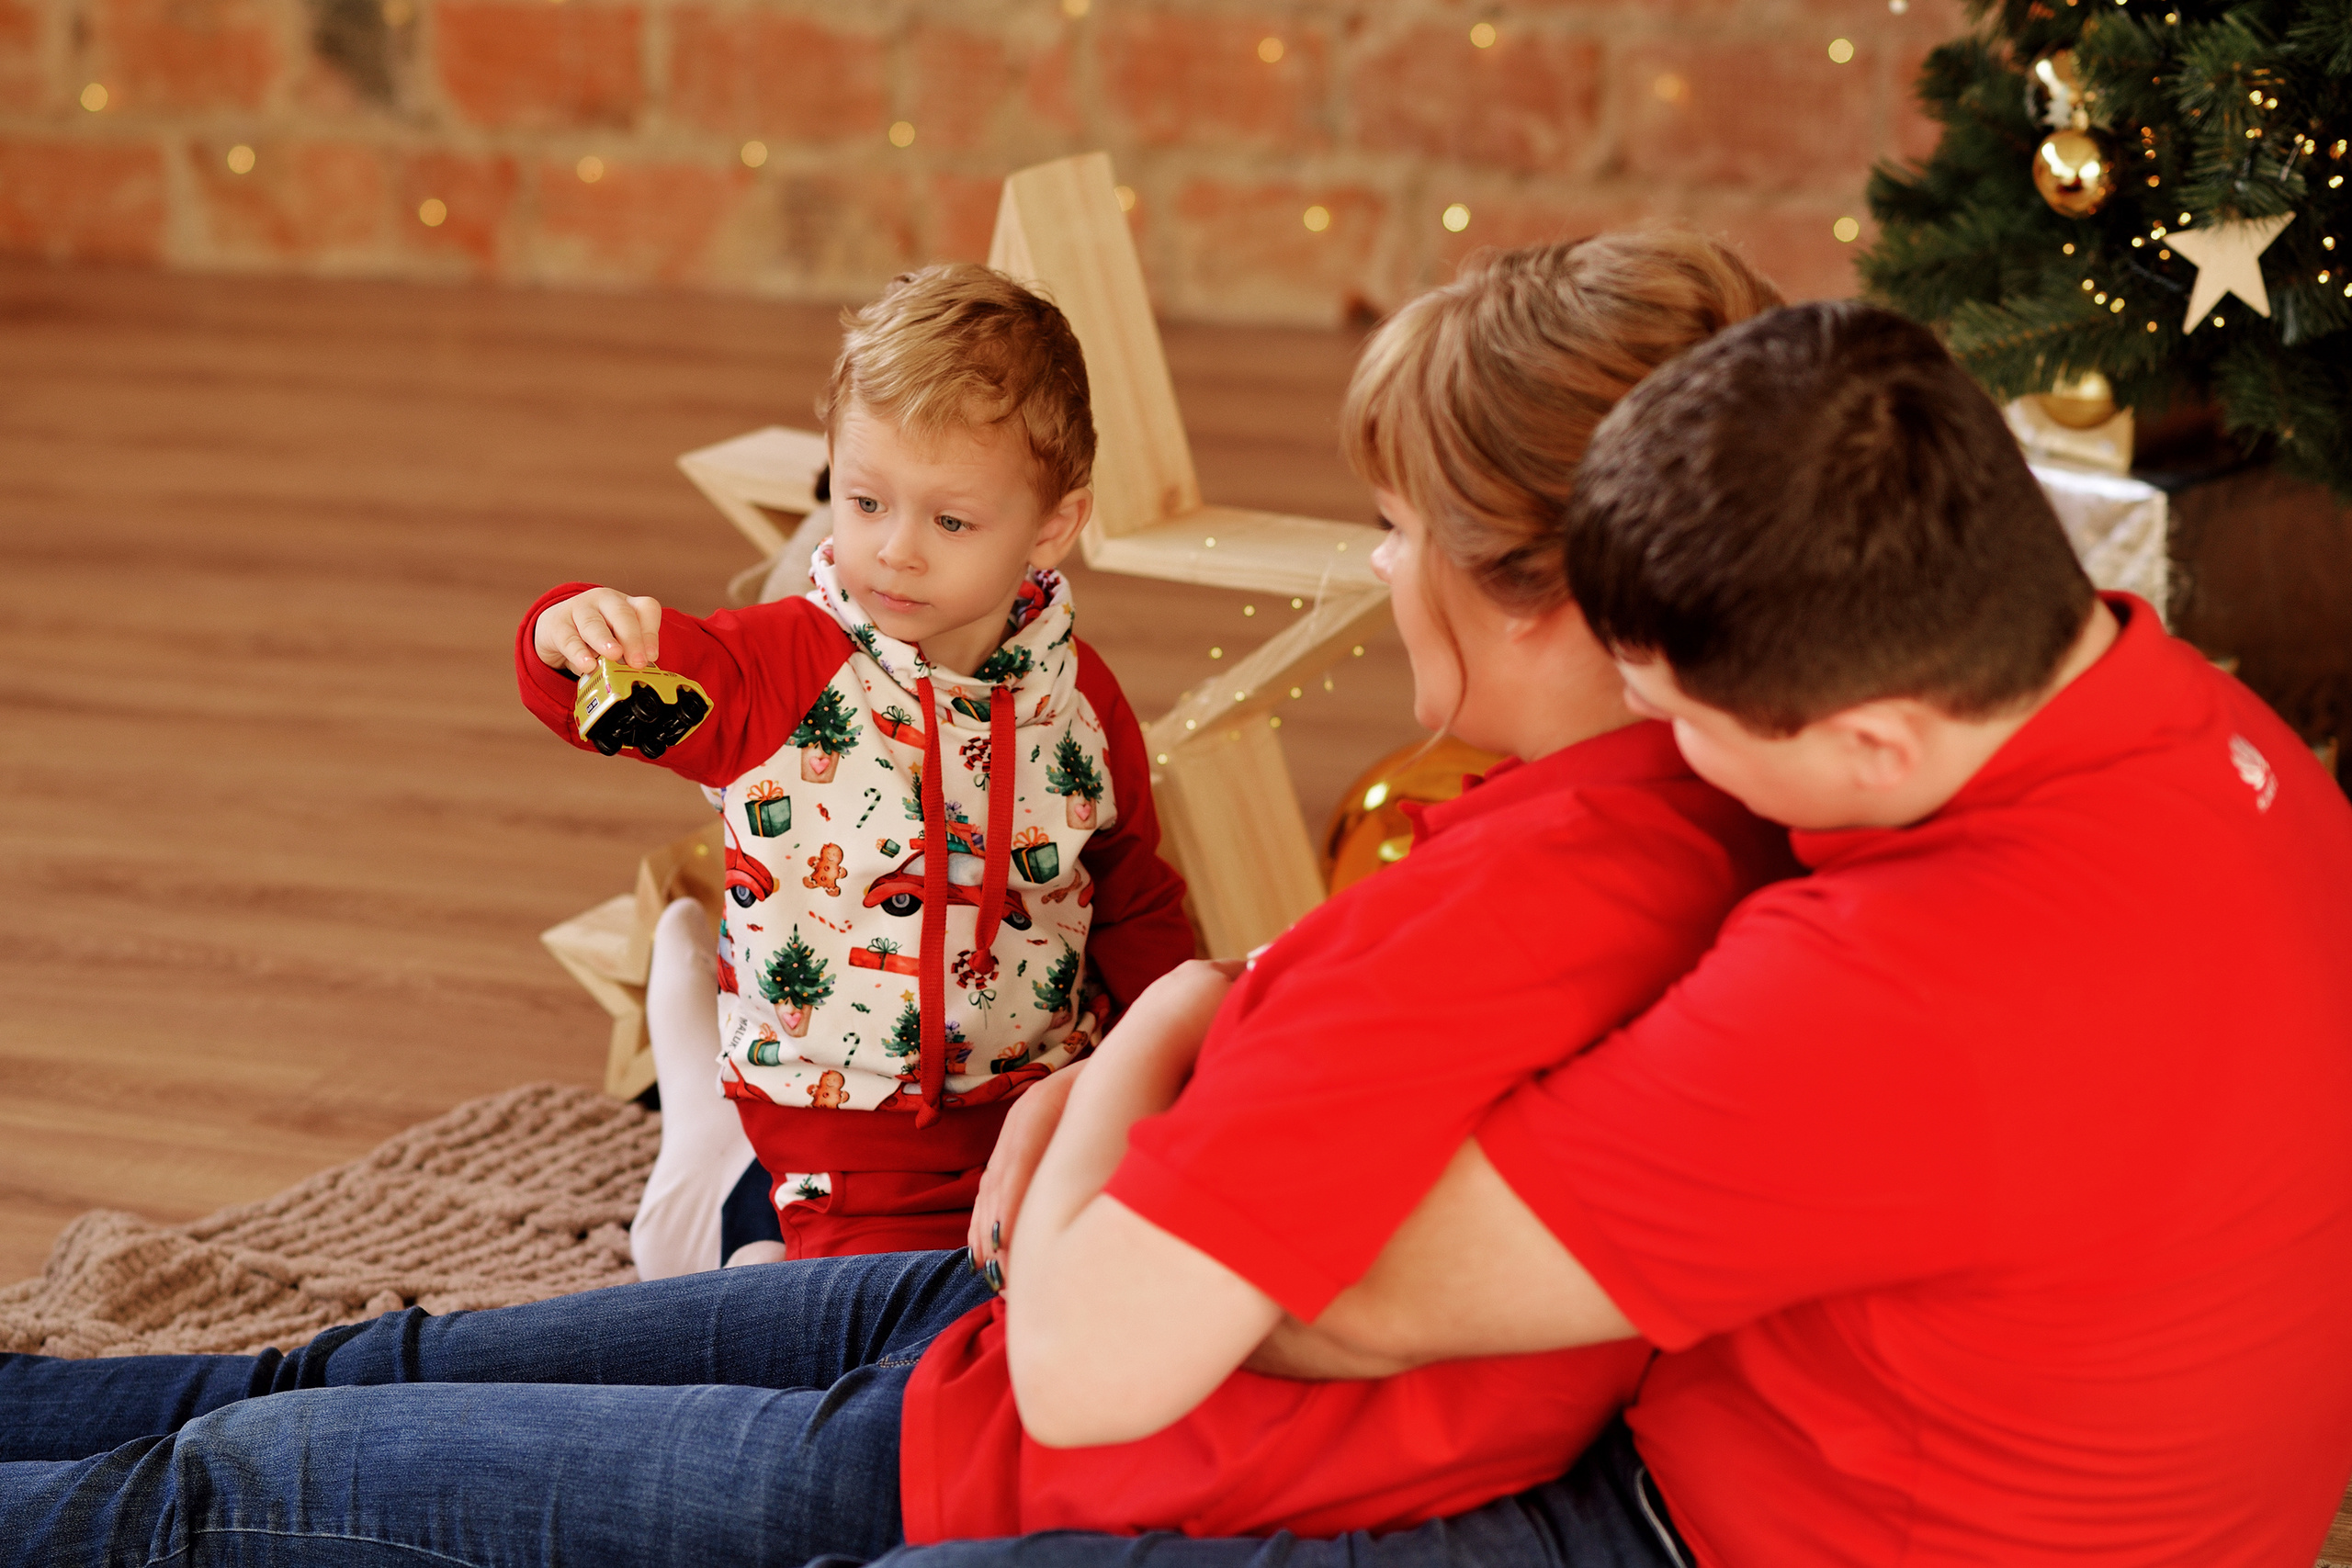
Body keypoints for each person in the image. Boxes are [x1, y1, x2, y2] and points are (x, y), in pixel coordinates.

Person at [0, 231, 1792, 1563]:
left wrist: (1140, 1047)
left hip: (1005, 1416)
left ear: (1535, 584)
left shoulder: (1550, 888)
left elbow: (1134, 1317)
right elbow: (661, 683)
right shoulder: (1652, 825)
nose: (1377, 567)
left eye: (1395, 527)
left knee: (232, 1490)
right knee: (350, 1375)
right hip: (970, 1308)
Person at [881, 301, 2352, 1568]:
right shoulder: (2201, 724)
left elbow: (1335, 1297)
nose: (1650, 738)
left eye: (1689, 720)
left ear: (1876, 741)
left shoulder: (1897, 985)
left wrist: (1159, 1041)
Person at [518, 262, 1194, 1274]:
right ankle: (717, 1201)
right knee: (870, 1341)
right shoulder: (774, 669)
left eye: (950, 520)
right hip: (839, 1130)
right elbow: (594, 693)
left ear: (1054, 524)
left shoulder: (1082, 701)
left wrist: (1179, 1072)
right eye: (865, 501)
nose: (896, 552)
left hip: (1035, 1103)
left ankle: (714, 1171)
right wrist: (564, 631)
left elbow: (1130, 895)